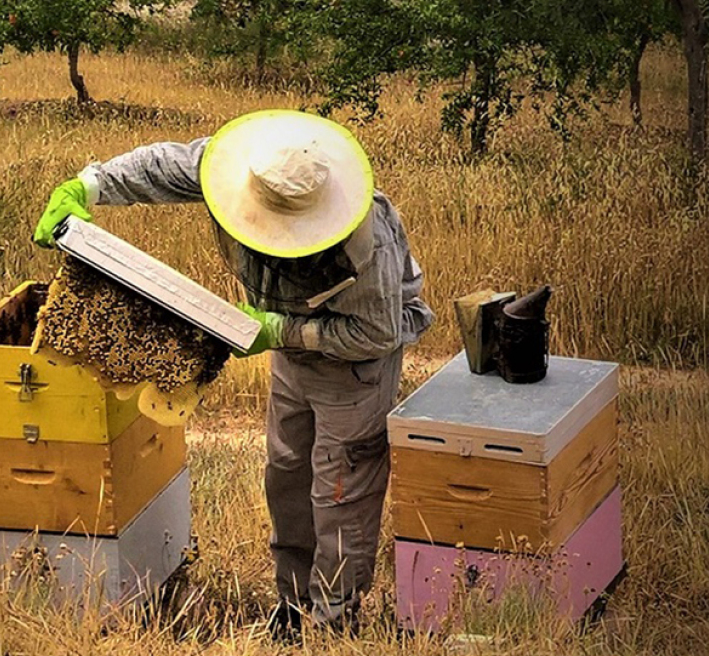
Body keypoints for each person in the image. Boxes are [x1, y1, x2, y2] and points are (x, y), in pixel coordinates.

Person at [32, 110, 434, 638]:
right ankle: (293, 607)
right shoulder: (245, 165)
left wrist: (279, 332)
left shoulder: (364, 243)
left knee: (339, 491)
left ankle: (335, 621)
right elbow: (166, 166)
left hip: (353, 367)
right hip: (291, 352)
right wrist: (91, 183)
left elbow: (378, 333)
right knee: (286, 475)